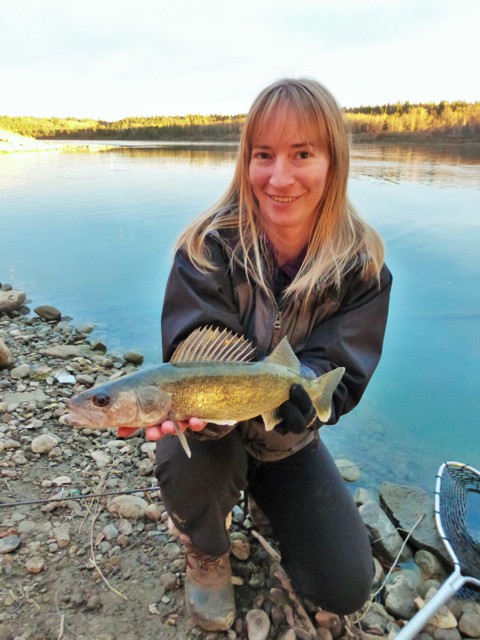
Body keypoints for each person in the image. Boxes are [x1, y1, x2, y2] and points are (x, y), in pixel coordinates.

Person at [143, 77, 392, 631]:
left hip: (287, 441)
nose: (280, 177)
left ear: (333, 161)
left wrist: (309, 384)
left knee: (344, 586)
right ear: (245, 161)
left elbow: (341, 368)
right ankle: (207, 550)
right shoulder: (207, 248)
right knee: (184, 457)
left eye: (302, 153)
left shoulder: (364, 272)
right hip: (213, 435)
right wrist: (199, 418)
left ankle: (262, 498)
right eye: (264, 155)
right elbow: (195, 343)